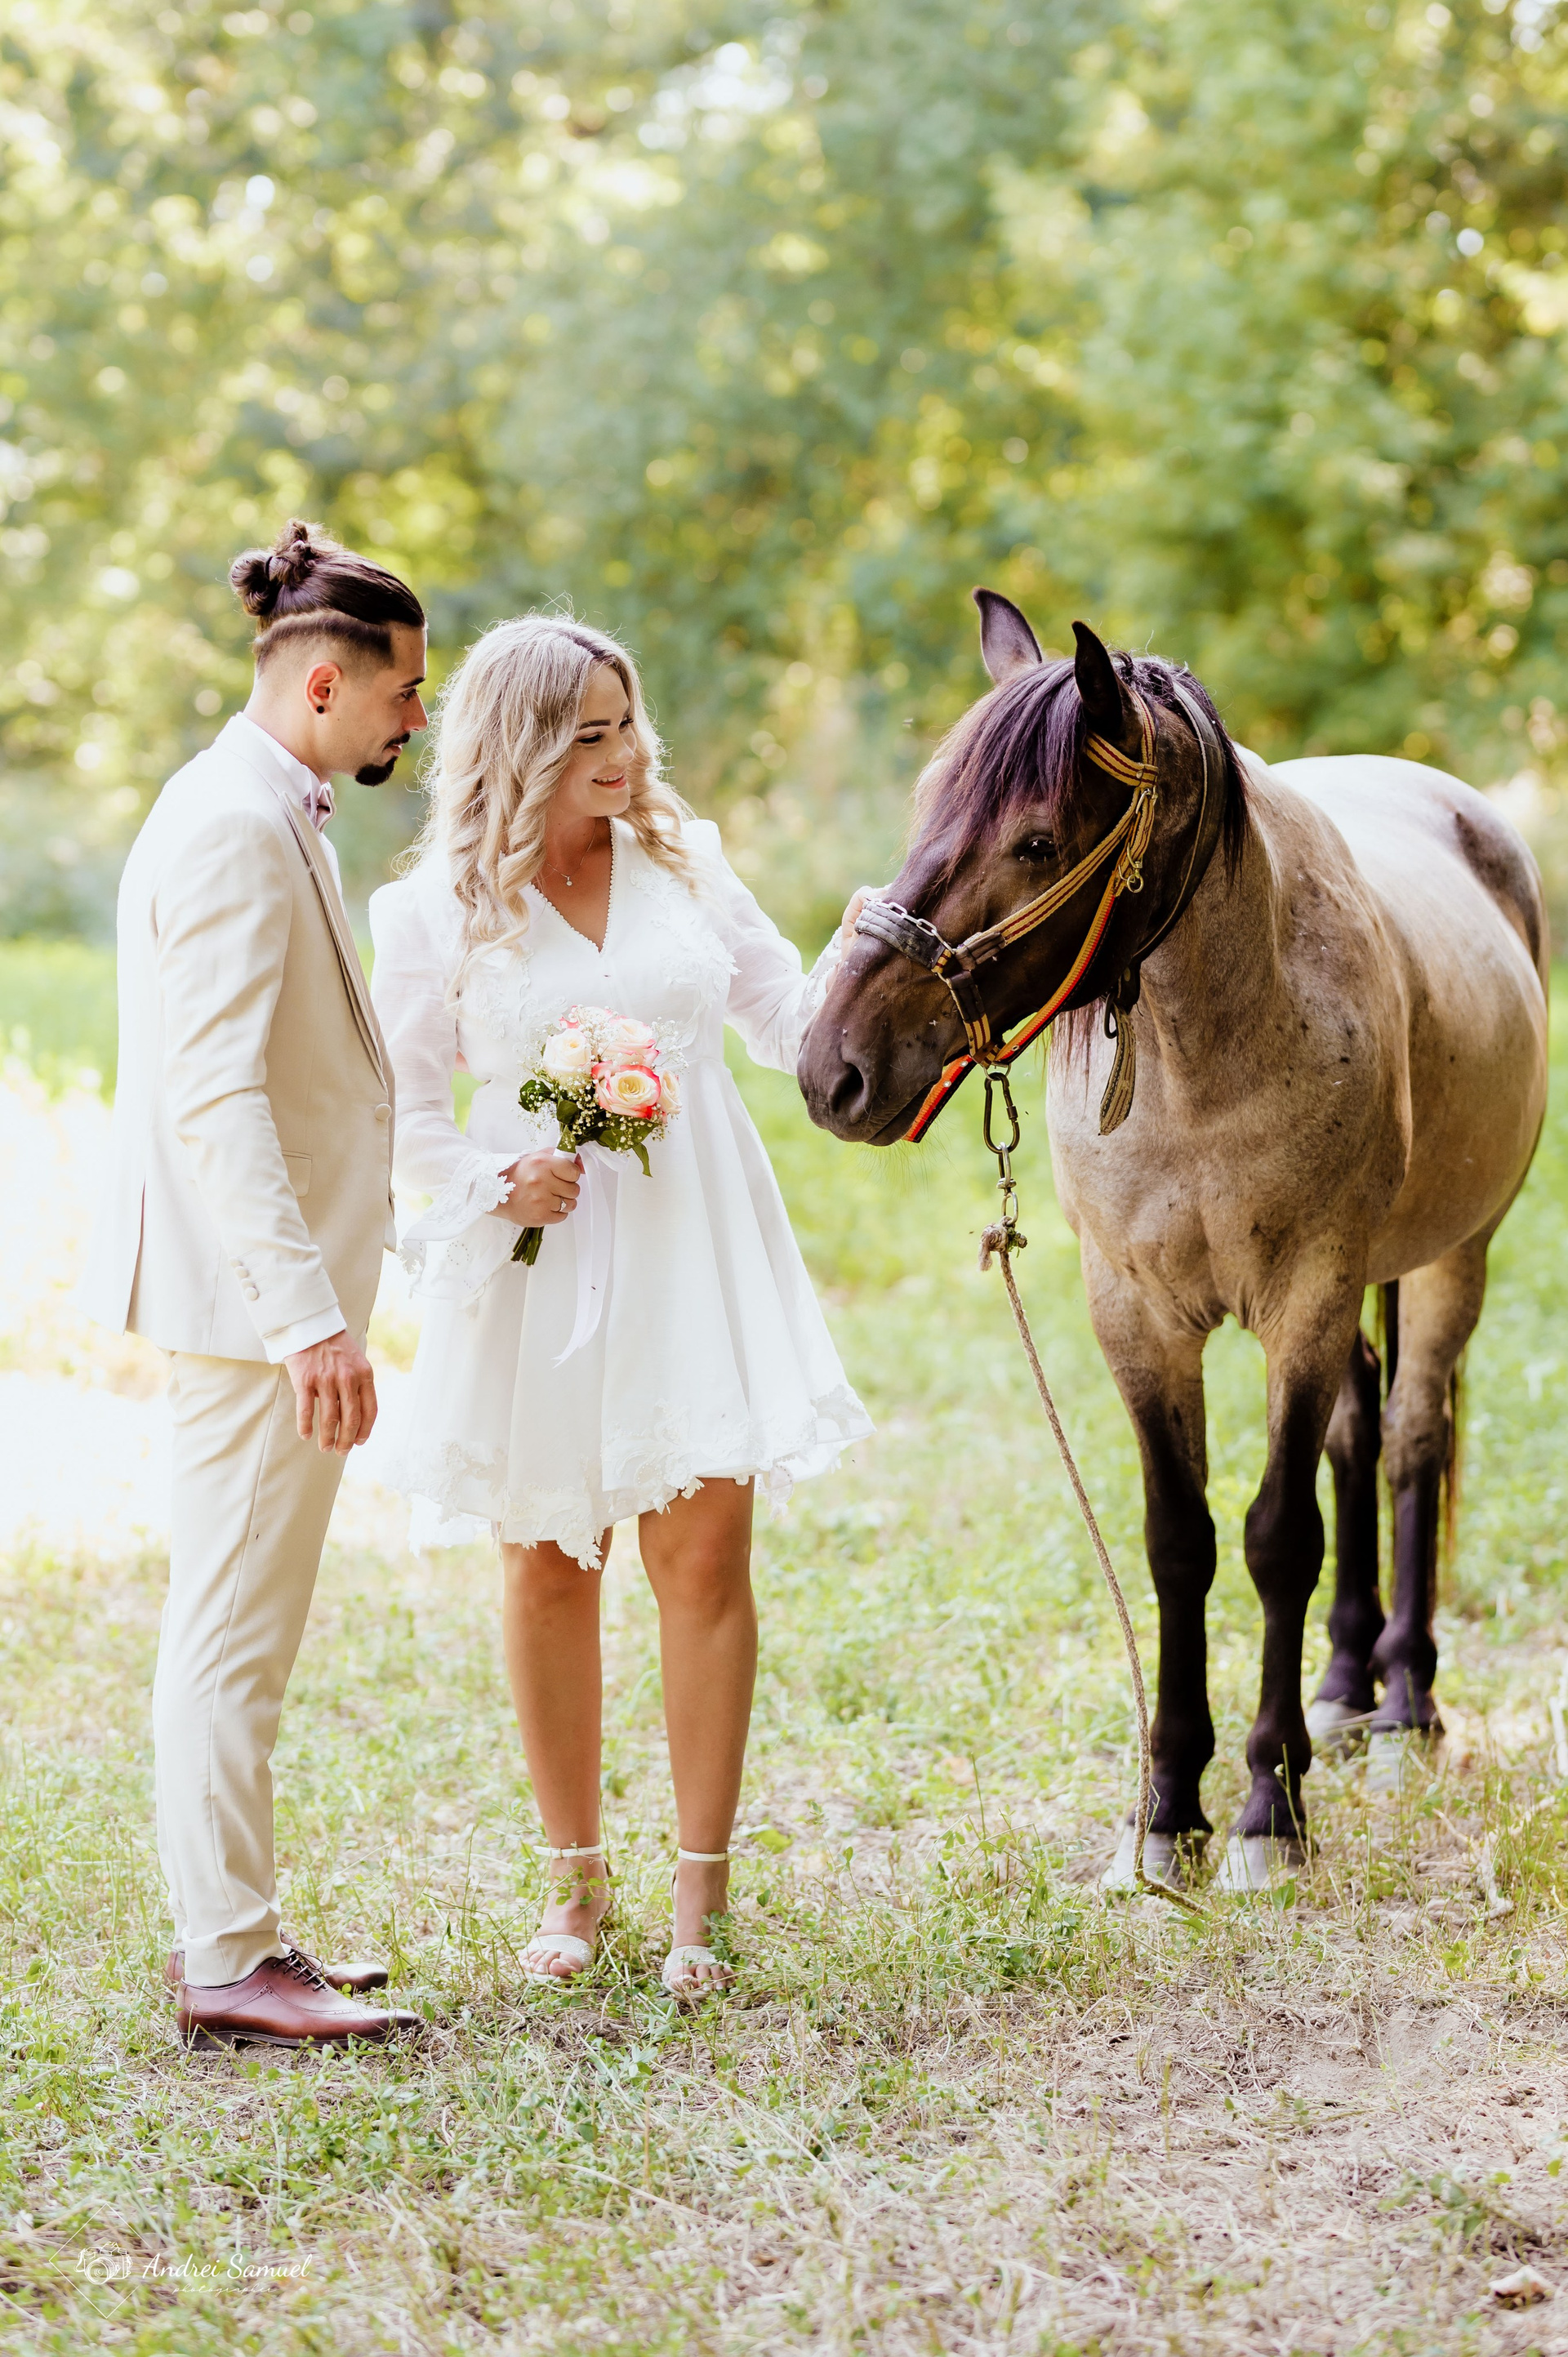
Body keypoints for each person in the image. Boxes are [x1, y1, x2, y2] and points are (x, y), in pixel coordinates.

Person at [368, 614, 871, 1998]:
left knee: (703, 1562)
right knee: (548, 1562)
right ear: (519, 745)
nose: (623, 754)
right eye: (588, 733)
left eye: (627, 723)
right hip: (536, 1265)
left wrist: (871, 967)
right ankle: (575, 1882)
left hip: (692, 1244)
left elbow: (789, 1022)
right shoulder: (429, 912)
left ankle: (701, 1894)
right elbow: (406, 1118)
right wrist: (494, 1181)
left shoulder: (685, 858)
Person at [78, 519, 427, 2049]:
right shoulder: (231, 823)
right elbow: (213, 1097)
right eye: (405, 692)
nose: (417, 719)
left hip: (262, 1297)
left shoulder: (260, 804)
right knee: (228, 1628)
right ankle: (225, 1959)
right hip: (248, 1308)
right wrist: (308, 1319)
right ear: (325, 684)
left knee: (247, 1627)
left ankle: (244, 1930)